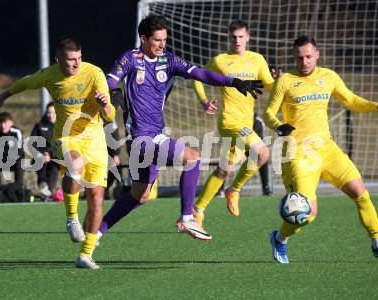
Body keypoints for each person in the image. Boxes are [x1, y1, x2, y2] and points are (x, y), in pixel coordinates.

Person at [97, 15, 263, 243]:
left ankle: (94, 234)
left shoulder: (169, 60)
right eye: (156, 40)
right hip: (140, 139)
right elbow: (110, 81)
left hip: (155, 135)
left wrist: (234, 82)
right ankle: (187, 217)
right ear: (143, 39)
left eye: (164, 39)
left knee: (139, 195)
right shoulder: (130, 59)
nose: (162, 44)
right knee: (192, 158)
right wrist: (108, 96)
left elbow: (201, 74)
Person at [0, 36, 115, 269]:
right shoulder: (50, 75)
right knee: (75, 166)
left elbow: (110, 115)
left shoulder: (95, 73)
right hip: (65, 136)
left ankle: (85, 255)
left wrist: (105, 104)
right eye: (70, 60)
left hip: (95, 139)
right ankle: (71, 219)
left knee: (97, 198)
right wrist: (3, 96)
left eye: (78, 58)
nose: (75, 64)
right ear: (58, 59)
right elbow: (25, 82)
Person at [264, 35, 378, 263]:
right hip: (297, 154)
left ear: (317, 54)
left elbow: (352, 101)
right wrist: (279, 126)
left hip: (327, 149)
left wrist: (376, 106)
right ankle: (279, 238)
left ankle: (376, 240)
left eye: (308, 56)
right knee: (307, 215)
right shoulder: (285, 80)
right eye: (299, 58)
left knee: (361, 193)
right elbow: (268, 113)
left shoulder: (329, 77)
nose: (304, 62)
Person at [193, 20, 278, 229]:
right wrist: (204, 101)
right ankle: (234, 190)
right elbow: (197, 77)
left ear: (248, 37)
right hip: (229, 121)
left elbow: (269, 86)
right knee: (263, 153)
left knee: (224, 170)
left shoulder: (257, 60)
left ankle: (197, 211)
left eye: (241, 36)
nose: (237, 41)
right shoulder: (220, 60)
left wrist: (280, 82)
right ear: (228, 38)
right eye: (233, 37)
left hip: (246, 121)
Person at [0, 111, 24, 198]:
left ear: (11, 123)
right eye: (1, 123)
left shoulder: (17, 132)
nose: (3, 125)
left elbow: (19, 151)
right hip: (0, 161)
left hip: (13, 160)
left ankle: (18, 190)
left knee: (20, 163)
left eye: (5, 122)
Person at [30, 101, 60, 199]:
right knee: (40, 162)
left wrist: (51, 155)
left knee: (55, 167)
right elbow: (32, 143)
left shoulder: (62, 126)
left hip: (56, 157)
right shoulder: (39, 126)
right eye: (49, 112)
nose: (51, 115)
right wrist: (40, 154)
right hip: (40, 156)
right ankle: (43, 184)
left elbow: (63, 144)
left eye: (53, 112)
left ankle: (48, 192)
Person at [104, 119, 122, 200]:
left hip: (108, 148)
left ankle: (105, 190)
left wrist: (116, 154)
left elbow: (115, 135)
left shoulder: (108, 114)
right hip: (91, 148)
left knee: (116, 167)